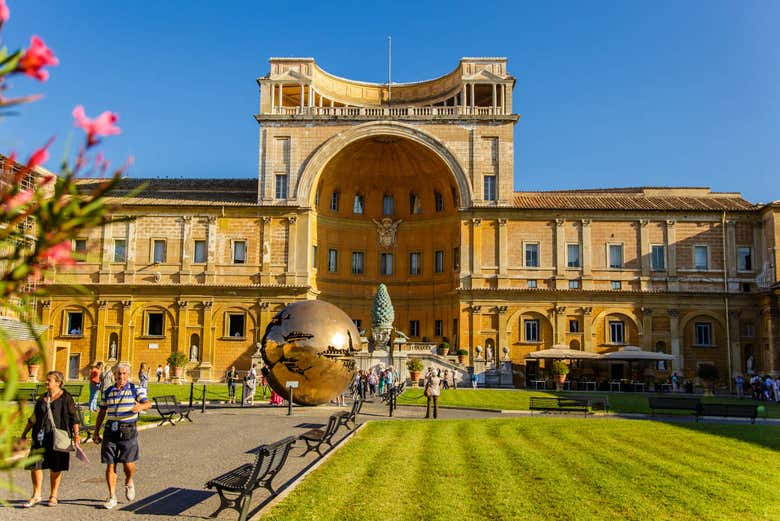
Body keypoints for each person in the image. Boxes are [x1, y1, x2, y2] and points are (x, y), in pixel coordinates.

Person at [93, 363, 152, 509]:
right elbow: (102, 412)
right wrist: (96, 431)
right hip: (110, 430)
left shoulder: (135, 389)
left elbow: (148, 403)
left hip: (128, 430)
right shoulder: (108, 391)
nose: (121, 376)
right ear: (115, 375)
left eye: (124, 373)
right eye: (119, 374)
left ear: (129, 375)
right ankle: (112, 496)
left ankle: (129, 481)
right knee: (110, 464)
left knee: (128, 464)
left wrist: (140, 406)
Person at [19, 371, 80, 508]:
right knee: (35, 466)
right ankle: (36, 495)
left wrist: (76, 435)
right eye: (46, 380)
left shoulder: (66, 398)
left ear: (58, 383)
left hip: (58, 438)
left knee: (55, 467)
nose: (46, 382)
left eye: (49, 380)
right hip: (40, 437)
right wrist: (24, 434)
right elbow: (34, 417)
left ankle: (53, 495)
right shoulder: (42, 398)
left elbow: (73, 417)